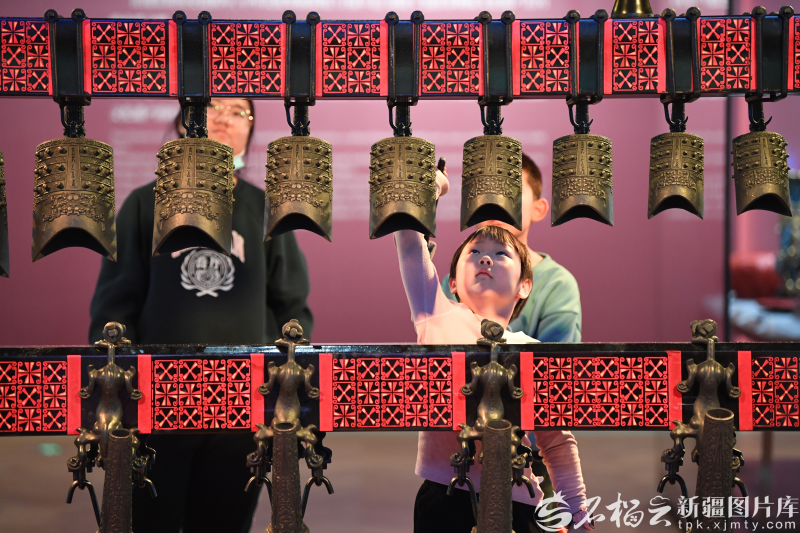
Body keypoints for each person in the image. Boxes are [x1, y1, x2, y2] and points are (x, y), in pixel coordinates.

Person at [89, 98, 313, 533]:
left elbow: (291, 307)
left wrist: (284, 392)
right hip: (156, 404)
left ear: (250, 131)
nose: (225, 118)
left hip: (242, 404)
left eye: (239, 111)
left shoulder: (266, 209)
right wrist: (119, 397)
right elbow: (115, 307)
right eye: (212, 106)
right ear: (182, 122)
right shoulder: (144, 204)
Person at [395, 169, 591, 533]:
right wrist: (435, 186)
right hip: (446, 499)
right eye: (474, 253)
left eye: (501, 254)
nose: (486, 259)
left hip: (521, 502)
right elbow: (408, 241)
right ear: (453, 282)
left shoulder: (532, 351)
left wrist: (575, 511)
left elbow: (557, 443)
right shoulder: (436, 316)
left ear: (525, 286)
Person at [441, 152, 581, 343]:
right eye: (486, 192)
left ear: (538, 209)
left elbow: (554, 359)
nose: (497, 203)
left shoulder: (557, 284)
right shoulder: (456, 279)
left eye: (511, 192)